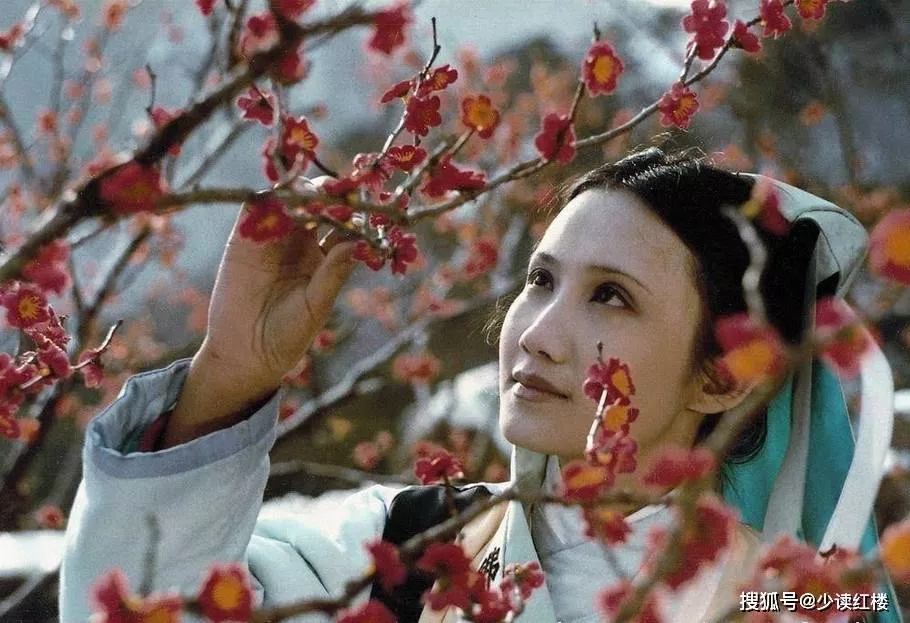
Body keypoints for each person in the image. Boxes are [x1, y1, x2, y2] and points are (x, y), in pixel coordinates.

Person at [59, 148, 902, 623]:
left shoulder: (783, 600)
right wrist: (227, 375)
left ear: (722, 376)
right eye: (540, 279)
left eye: (611, 295)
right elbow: (141, 608)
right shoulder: (404, 548)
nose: (535, 333)